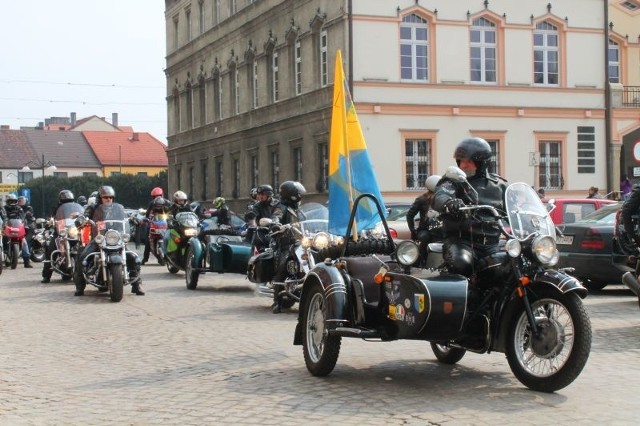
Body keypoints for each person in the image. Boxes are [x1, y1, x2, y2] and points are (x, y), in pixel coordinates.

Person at [432, 137, 507, 278]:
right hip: (461, 242)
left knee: (510, 267)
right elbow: (440, 196)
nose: (463, 165)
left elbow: (515, 207)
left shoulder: (499, 185)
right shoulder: (453, 180)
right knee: (462, 264)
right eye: (461, 161)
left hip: (492, 244)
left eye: (469, 161)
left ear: (482, 163)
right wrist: (449, 202)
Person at [75, 185, 144, 296]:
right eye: (105, 197)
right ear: (100, 198)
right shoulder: (92, 208)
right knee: (83, 256)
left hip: (116, 238)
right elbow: (85, 216)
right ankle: (80, 286)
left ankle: (136, 284)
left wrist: (133, 218)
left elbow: (125, 216)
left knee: (132, 258)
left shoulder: (118, 207)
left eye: (110, 197)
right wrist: (82, 220)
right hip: (99, 239)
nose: (108, 199)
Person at [41, 190, 78, 283]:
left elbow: (80, 215)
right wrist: (50, 221)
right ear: (61, 201)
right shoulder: (56, 208)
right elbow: (51, 217)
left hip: (72, 231)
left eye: (69, 201)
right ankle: (46, 276)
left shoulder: (75, 208)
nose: (67, 203)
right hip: (60, 233)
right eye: (65, 201)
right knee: (51, 249)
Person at [406, 174, 442, 267]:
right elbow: (410, 215)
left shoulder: (443, 198)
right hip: (426, 230)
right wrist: (413, 230)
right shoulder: (422, 199)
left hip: (440, 230)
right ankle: (421, 261)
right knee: (424, 239)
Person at [141, 188, 171, 265]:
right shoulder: (152, 204)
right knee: (148, 239)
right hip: (154, 223)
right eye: (155, 196)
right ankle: (145, 258)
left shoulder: (167, 203)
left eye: (159, 196)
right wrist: (148, 219)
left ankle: (172, 256)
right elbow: (148, 214)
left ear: (162, 195)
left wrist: (170, 219)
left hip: (165, 223)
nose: (157, 198)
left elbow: (171, 212)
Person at [3, 194, 33, 268]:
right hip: (7, 227)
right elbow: (3, 217)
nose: (12, 202)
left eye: (13, 201)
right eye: (10, 201)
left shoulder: (19, 208)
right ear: (7, 201)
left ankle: (27, 262)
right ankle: (4, 255)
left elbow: (23, 217)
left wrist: (25, 224)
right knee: (4, 239)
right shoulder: (4, 208)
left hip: (17, 227)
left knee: (24, 243)